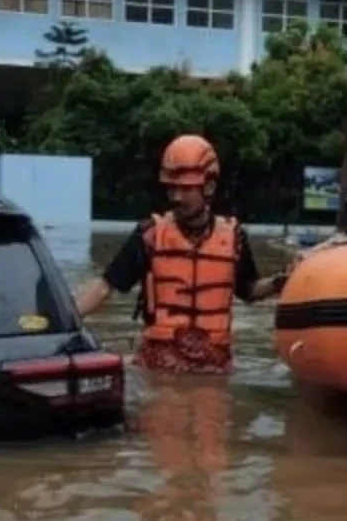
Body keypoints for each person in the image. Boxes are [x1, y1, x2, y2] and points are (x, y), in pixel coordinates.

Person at [74, 134, 289, 375]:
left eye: (186, 189)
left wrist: (280, 281)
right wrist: (66, 319)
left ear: (209, 187)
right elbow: (105, 287)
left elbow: (249, 291)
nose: (177, 197)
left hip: (214, 365)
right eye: (172, 188)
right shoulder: (150, 235)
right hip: (160, 362)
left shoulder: (234, 238)